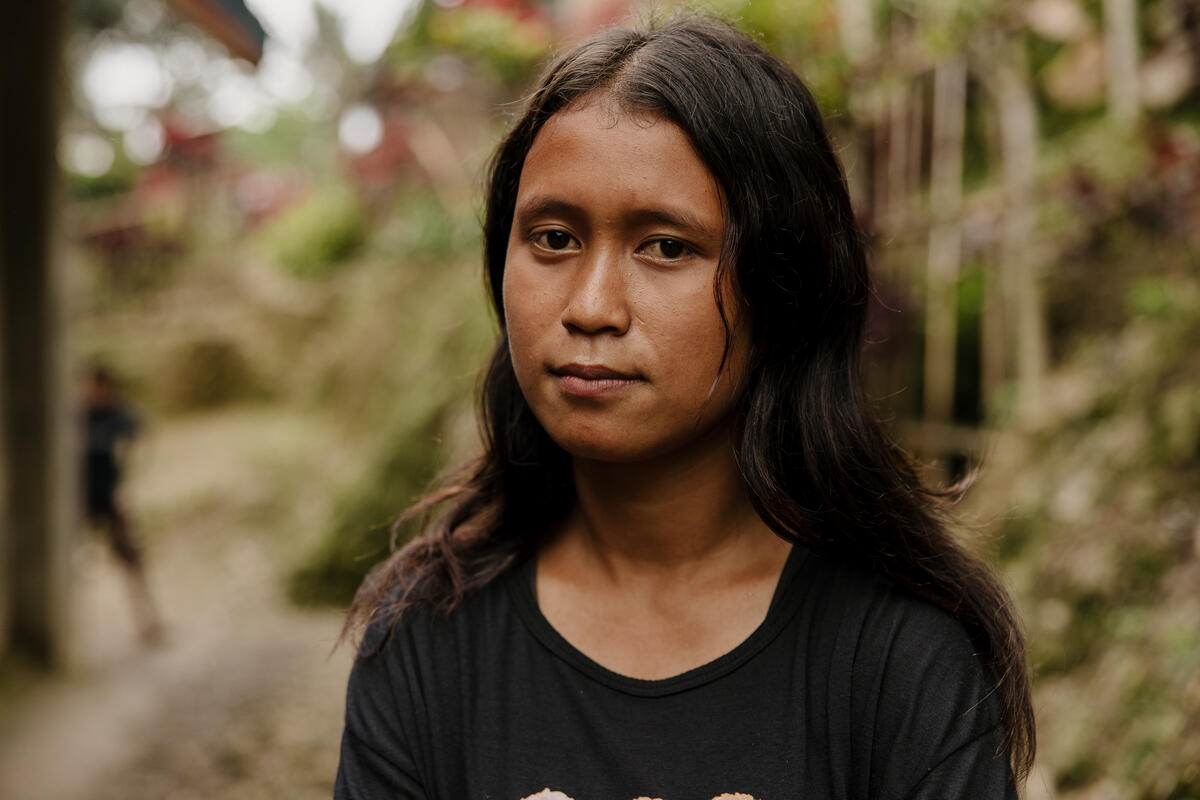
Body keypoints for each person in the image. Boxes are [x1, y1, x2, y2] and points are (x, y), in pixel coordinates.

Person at [335, 15, 1035, 800]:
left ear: (781, 288)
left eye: (665, 245)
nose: (592, 307)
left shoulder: (897, 664)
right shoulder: (429, 645)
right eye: (554, 238)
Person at [83, 364, 163, 644]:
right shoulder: (77, 414)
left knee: (132, 560)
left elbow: (138, 436)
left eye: (98, 386)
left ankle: (150, 622)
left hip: (107, 498)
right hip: (77, 502)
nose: (93, 392)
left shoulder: (117, 414)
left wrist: (127, 479)